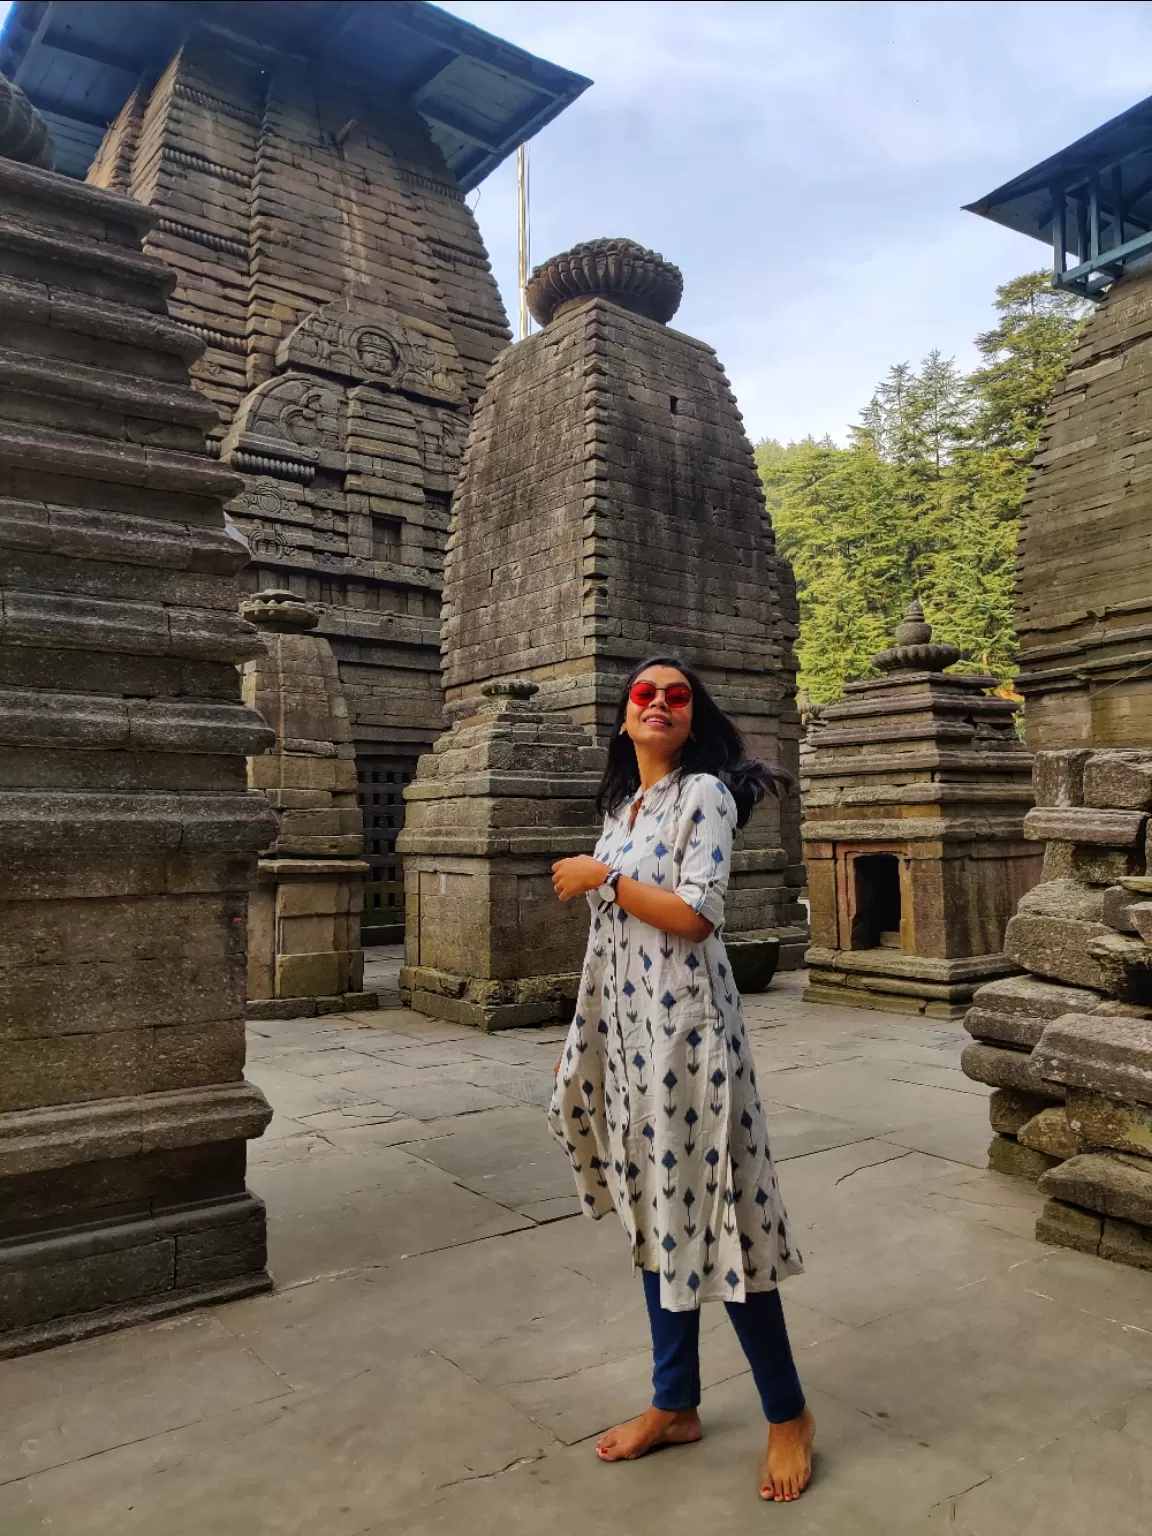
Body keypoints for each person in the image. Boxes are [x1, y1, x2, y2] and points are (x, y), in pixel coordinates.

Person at [548, 657, 815, 1503]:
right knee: (656, 1208)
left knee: (724, 1217)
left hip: (691, 1038)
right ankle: (675, 1403)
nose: (658, 704)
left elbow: (697, 917)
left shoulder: (703, 795)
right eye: (643, 695)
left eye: (676, 696)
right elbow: (615, 934)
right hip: (628, 1038)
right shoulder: (622, 809)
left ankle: (787, 1413)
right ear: (624, 719)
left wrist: (603, 877)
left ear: (692, 720)